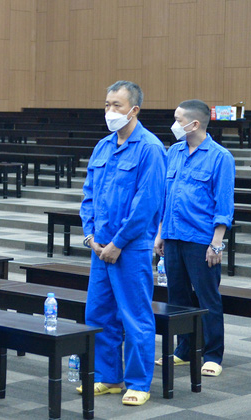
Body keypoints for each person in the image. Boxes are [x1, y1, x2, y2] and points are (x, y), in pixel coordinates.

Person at [78, 80, 166, 406]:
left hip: (130, 248)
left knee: (135, 316)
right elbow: (89, 196)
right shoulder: (103, 146)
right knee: (99, 314)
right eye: (107, 105)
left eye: (117, 105)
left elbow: (147, 204)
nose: (110, 111)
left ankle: (138, 382)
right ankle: (108, 376)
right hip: (100, 248)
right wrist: (91, 237)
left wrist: (118, 242)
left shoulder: (150, 148)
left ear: (134, 110)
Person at [154, 99, 235, 378]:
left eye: (178, 120)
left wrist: (216, 243)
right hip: (173, 235)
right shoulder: (174, 152)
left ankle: (212, 354)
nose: (174, 124)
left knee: (207, 297)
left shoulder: (220, 156)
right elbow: (166, 197)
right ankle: (184, 349)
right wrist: (160, 233)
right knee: (177, 297)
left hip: (201, 239)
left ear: (195, 123)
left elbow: (223, 204)